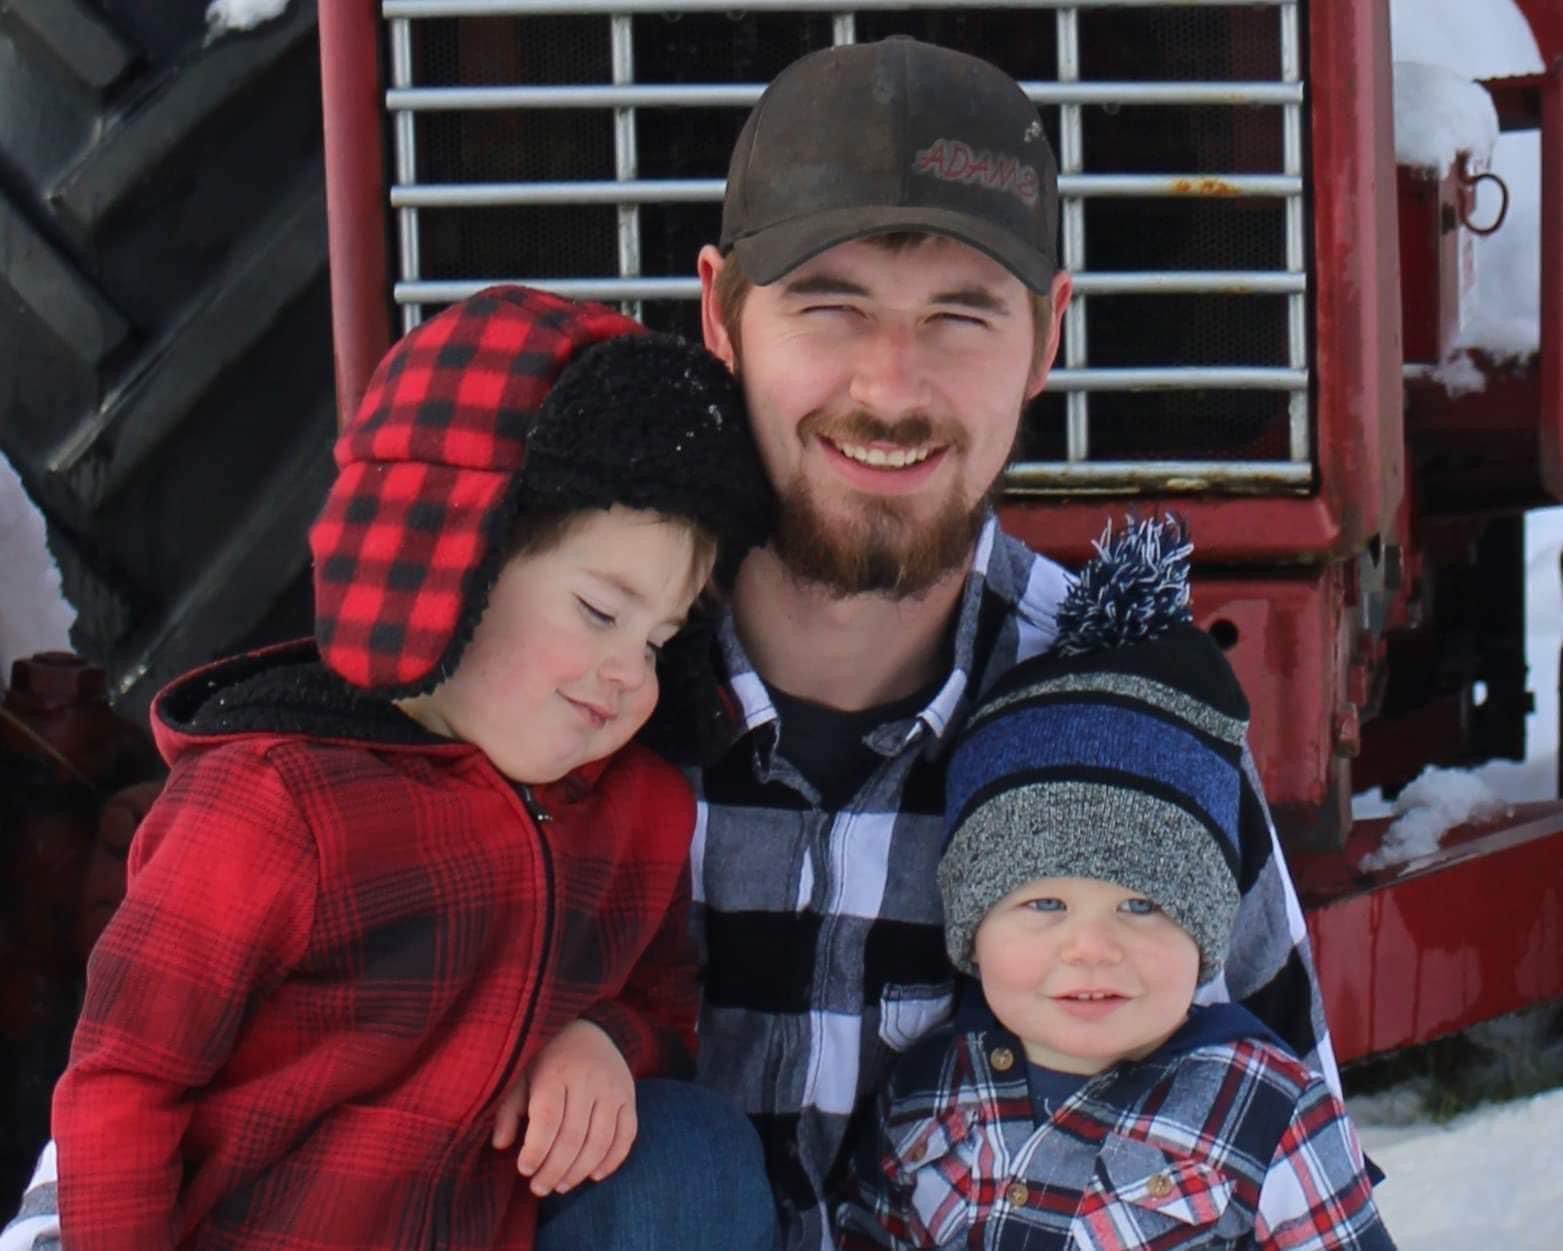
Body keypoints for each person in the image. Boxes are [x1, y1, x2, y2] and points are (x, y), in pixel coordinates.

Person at [5, 35, 1339, 1251]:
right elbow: (148, 1097)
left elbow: (1284, 1141)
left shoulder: (1123, 717)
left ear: (1047, 334)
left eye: (959, 315)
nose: (889, 385)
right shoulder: (537, 674)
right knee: (673, 1159)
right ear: (719, 312)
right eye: (828, 305)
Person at [39, 285, 778, 1251]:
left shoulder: (633, 813)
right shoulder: (273, 806)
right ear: (450, 558)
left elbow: (662, 996)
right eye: (599, 612)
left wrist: (605, 1040)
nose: (627, 674)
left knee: (698, 1144)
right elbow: (126, 1079)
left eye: (658, 640)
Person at [834, 518, 1394, 1250]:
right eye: (1043, 903)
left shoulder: (1267, 1110)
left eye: (1140, 904)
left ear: (1205, 926)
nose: (1091, 947)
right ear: (971, 928)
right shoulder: (925, 1097)